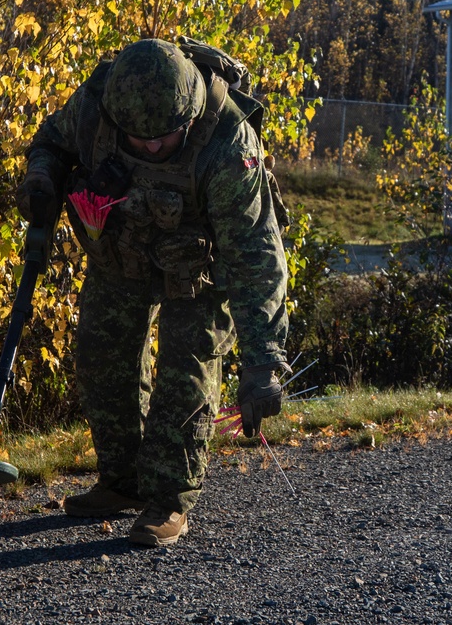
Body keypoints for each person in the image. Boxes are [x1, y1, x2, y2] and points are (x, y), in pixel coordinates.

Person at [16, 38, 291, 547]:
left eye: (161, 140)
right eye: (135, 139)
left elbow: (256, 254)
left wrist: (262, 362)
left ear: (187, 119)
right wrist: (41, 180)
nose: (147, 148)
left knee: (184, 379)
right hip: (120, 252)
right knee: (102, 363)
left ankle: (168, 501)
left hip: (198, 270)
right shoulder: (100, 104)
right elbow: (51, 142)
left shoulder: (228, 143)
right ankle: (122, 481)